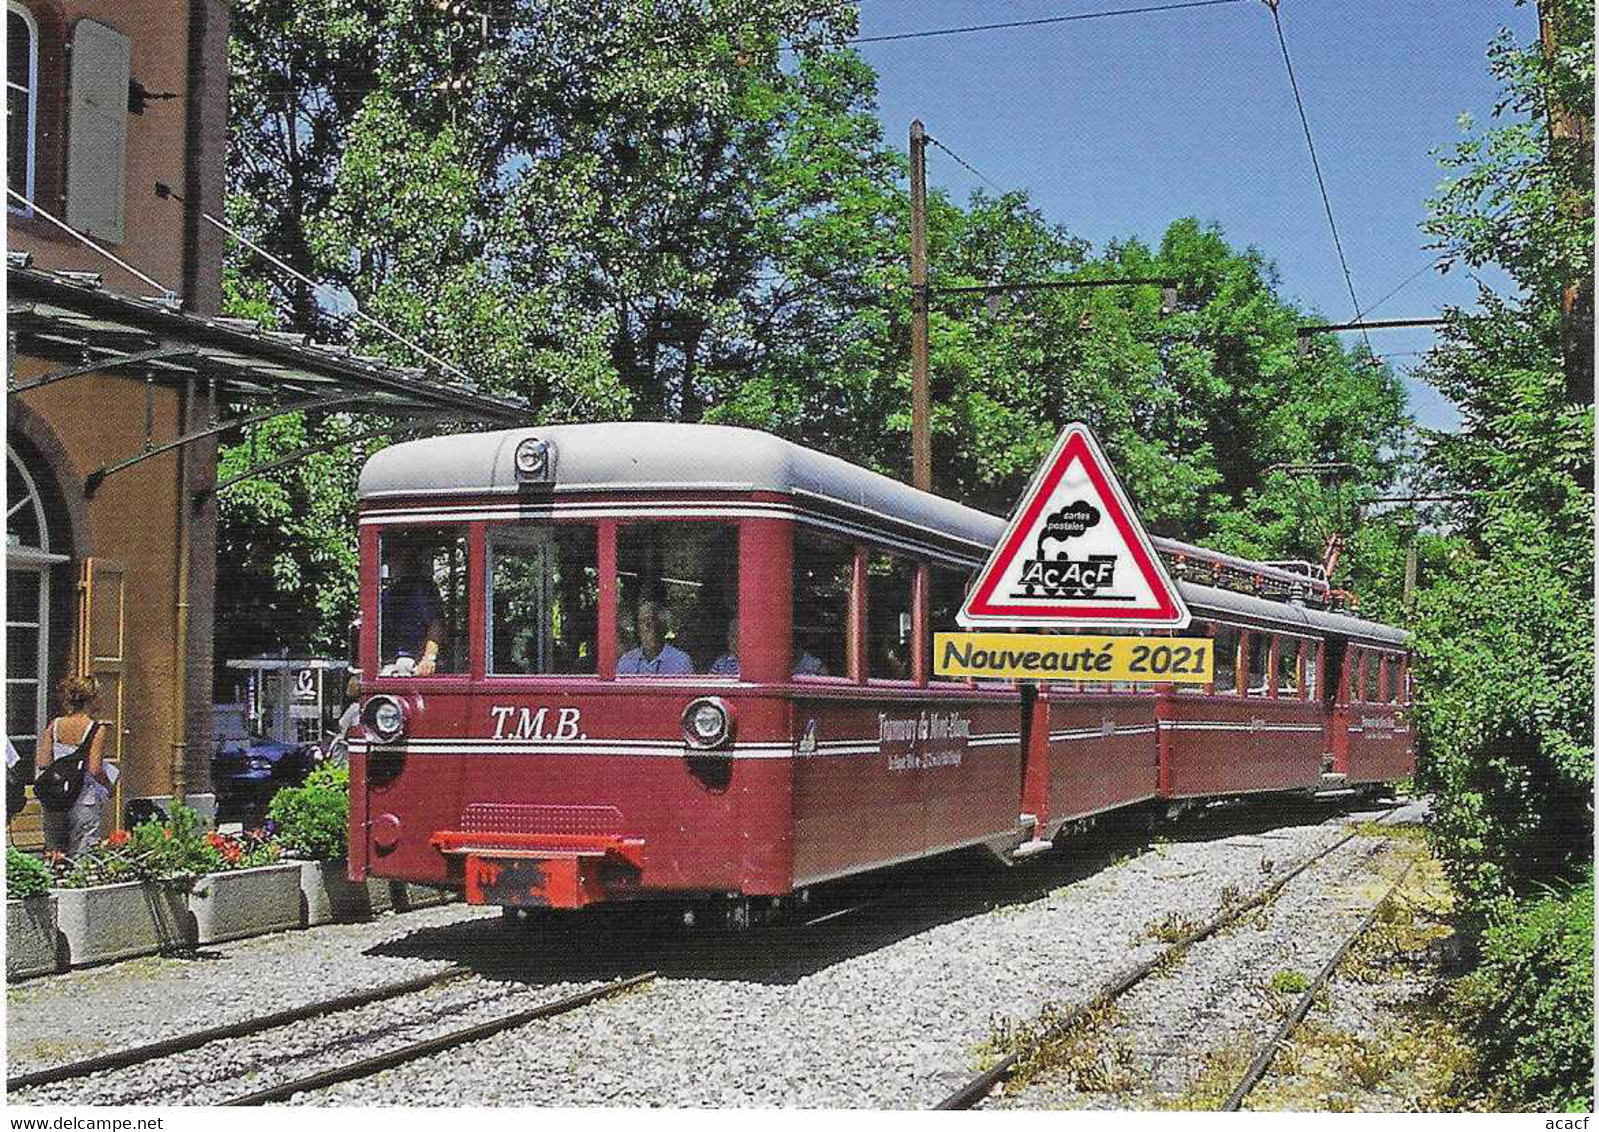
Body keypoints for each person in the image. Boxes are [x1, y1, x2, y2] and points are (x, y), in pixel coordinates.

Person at [36, 675, 113, 860]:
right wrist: (109, 785)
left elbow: (43, 762)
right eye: (99, 695)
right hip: (82, 800)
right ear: (91, 699)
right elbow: (94, 769)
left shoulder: (55, 725)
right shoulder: (96, 729)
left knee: (55, 855)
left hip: (55, 800)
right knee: (83, 858)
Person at [383, 542, 445, 675]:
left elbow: (436, 623)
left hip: (410, 660)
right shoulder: (389, 591)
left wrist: (429, 658)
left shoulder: (422, 589)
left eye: (396, 557)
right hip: (388, 658)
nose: (390, 563)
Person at [710, 620, 828, 677]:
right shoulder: (721, 663)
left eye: (736, 636)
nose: (731, 640)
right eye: (730, 636)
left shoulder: (815, 666)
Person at [616, 599, 693, 675]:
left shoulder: (680, 661)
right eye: (644, 622)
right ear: (638, 628)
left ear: (665, 627)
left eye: (654, 621)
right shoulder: (626, 660)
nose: (649, 627)